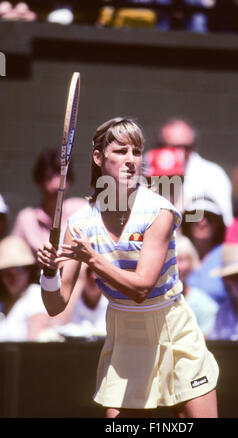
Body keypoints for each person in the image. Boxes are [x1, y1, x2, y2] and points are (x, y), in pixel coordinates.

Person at [37, 117, 219, 418]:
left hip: (175, 331)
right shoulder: (80, 224)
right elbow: (55, 305)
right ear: (99, 158)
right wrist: (48, 272)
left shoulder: (158, 211)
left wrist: (92, 259)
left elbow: (141, 288)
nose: (131, 160)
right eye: (121, 151)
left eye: (137, 151)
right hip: (125, 338)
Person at [154, 117, 233, 226]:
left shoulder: (213, 174)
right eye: (174, 147)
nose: (181, 153)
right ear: (160, 147)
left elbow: (226, 221)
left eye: (187, 147)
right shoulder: (146, 169)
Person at [12, 148, 87, 259]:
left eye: (62, 178)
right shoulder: (26, 218)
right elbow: (13, 259)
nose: (56, 185)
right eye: (49, 177)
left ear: (69, 180)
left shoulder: (82, 210)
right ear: (40, 180)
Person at [0, 235, 52, 341]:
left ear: (29, 270)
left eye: (18, 269)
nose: (13, 276)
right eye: (7, 271)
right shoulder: (4, 302)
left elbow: (33, 346)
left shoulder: (35, 296)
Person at [182, 196, 227, 306]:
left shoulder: (226, 255)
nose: (202, 222)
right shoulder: (174, 253)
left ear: (218, 223)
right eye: (195, 216)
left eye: (209, 217)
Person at [176, 234, 218, 336]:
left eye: (181, 260)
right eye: (170, 261)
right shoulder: (153, 300)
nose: (176, 267)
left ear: (191, 262)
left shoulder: (204, 305)